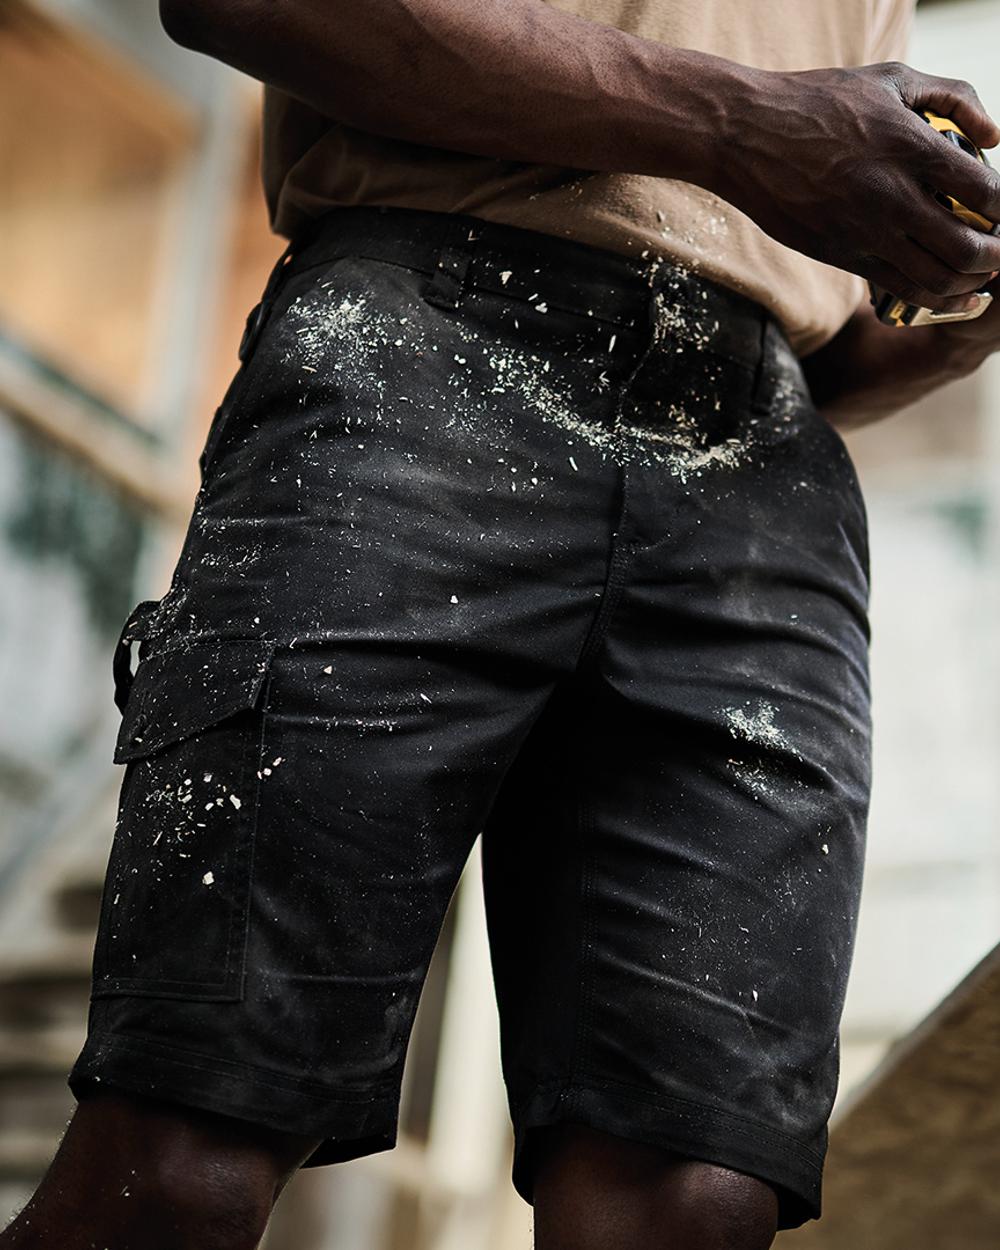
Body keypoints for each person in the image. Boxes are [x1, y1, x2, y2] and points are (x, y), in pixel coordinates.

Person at [5, 2, 1000, 1248]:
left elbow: (813, 312)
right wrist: (742, 122)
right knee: (182, 1167)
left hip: (763, 452)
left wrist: (959, 315)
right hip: (420, 342)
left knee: (687, 1204)